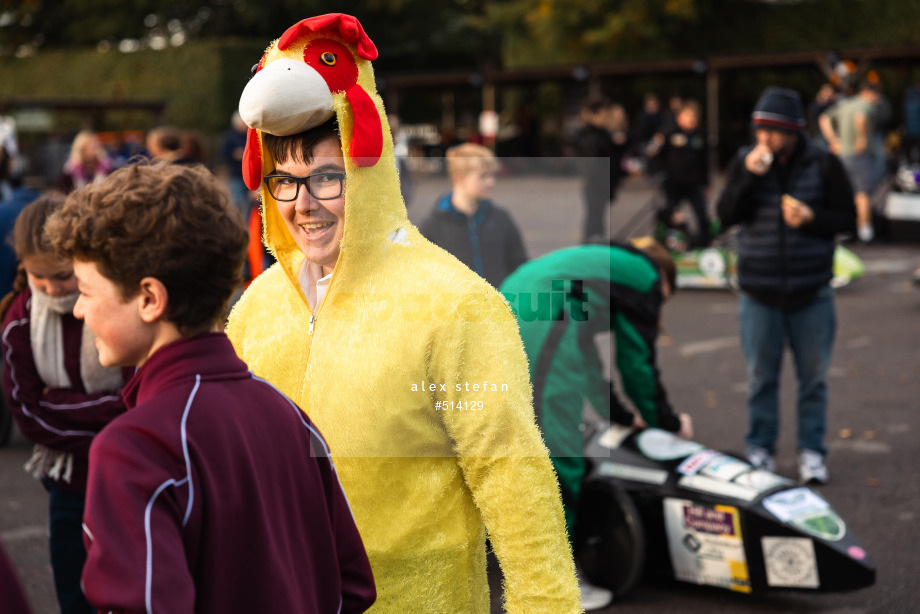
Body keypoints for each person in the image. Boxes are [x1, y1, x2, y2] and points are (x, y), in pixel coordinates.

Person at [228, 13, 579, 613]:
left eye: (326, 179)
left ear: (367, 172)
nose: (303, 205)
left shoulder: (456, 303)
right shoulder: (257, 307)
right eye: (284, 182)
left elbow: (512, 476)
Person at [44, 161, 376, 613]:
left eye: (86, 290)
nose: (79, 310)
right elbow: (352, 587)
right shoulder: (288, 414)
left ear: (148, 299)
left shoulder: (134, 448)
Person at [499, 238, 692, 609]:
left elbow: (587, 361)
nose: (661, 303)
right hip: (543, 316)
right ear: (664, 278)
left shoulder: (602, 269)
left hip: (513, 299)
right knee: (560, 453)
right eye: (667, 295)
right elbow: (637, 367)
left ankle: (510, 549)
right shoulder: (645, 277)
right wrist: (665, 426)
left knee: (516, 441)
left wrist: (619, 416)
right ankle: (556, 583)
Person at [716, 86, 857, 485]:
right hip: (759, 290)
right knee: (761, 378)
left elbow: (847, 218)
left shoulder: (824, 164)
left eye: (773, 131)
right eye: (760, 130)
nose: (765, 139)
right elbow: (725, 215)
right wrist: (747, 177)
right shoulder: (746, 161)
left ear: (793, 131)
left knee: (813, 378)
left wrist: (812, 217)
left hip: (811, 291)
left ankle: (812, 451)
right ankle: (760, 448)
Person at [1, 194, 129, 614]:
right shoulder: (19, 322)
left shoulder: (115, 306)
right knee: (75, 594)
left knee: (134, 587)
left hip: (129, 477)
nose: (54, 289)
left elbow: (140, 394)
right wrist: (110, 414)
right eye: (40, 279)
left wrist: (60, 402)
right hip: (69, 483)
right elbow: (31, 416)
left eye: (62, 276)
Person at [419, 142, 528, 288]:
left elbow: (519, 267)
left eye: (492, 175)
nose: (491, 182)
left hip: (500, 308)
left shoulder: (501, 218)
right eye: (483, 176)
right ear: (460, 178)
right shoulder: (432, 226)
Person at [819, 80, 881, 242]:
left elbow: (824, 118)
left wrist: (833, 140)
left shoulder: (845, 104)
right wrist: (861, 137)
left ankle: (845, 230)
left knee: (844, 192)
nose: (877, 100)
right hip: (859, 155)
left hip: (841, 155)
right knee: (863, 193)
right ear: (869, 92)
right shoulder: (865, 105)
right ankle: (865, 231)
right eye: (877, 96)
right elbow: (861, 118)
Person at [649, 99, 711, 248]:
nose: (692, 120)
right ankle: (666, 246)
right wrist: (659, 175)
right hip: (673, 184)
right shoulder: (667, 133)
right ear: (679, 117)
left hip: (693, 184)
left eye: (694, 116)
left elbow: (704, 161)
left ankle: (704, 246)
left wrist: (706, 183)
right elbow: (652, 154)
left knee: (703, 218)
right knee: (670, 217)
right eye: (688, 116)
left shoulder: (699, 136)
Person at [574, 95, 617, 242]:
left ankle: (597, 249)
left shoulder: (604, 134)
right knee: (593, 220)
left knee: (599, 221)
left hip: (604, 183)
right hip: (593, 183)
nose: (604, 117)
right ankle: (587, 249)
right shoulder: (586, 134)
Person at [221, 112, 252, 222]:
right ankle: (236, 222)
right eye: (242, 123)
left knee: (251, 203)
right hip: (237, 174)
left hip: (251, 174)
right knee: (236, 202)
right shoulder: (230, 137)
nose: (244, 125)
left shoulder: (251, 135)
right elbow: (224, 154)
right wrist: (235, 155)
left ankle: (248, 224)